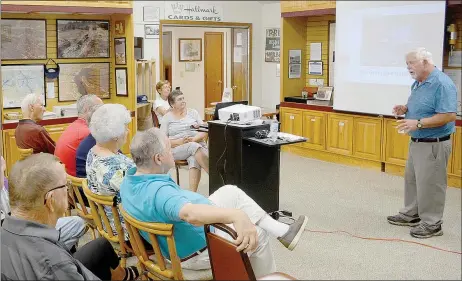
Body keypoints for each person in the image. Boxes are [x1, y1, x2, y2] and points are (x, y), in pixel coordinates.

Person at [120, 128, 308, 278]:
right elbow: (190, 215)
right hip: (196, 250)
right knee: (258, 236)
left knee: (230, 191)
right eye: (169, 149)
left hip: (182, 235)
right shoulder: (160, 193)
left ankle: (282, 231)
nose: (173, 152)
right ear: (158, 158)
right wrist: (236, 215)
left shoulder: (130, 180)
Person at [1, 153, 139, 280]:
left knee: (100, 246)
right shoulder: (54, 263)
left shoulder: (6, 230)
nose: (68, 190)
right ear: (51, 200)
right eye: (65, 185)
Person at [388, 48, 457, 238]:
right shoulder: (418, 83)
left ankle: (432, 223)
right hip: (417, 140)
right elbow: (424, 107)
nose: (408, 67)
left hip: (434, 143)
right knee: (413, 180)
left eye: (412, 63)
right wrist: (406, 108)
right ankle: (412, 214)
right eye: (407, 64)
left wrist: (417, 122)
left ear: (425, 62)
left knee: (431, 184)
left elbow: (449, 115)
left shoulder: (442, 84)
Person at [86, 103, 133, 239]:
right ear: (115, 135)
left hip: (106, 222)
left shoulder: (93, 152)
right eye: (125, 127)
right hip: (127, 231)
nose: (127, 131)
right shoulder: (119, 168)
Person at [160, 90, 209, 192]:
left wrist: (194, 139)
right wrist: (179, 142)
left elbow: (205, 131)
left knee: (194, 158)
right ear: (172, 104)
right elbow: (162, 140)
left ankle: (192, 194)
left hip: (196, 145)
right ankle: (215, 177)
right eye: (179, 99)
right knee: (193, 147)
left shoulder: (193, 113)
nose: (183, 101)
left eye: (183, 98)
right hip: (176, 149)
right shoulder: (167, 118)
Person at [55, 94, 103, 176]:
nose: (103, 112)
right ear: (87, 109)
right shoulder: (88, 133)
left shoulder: (74, 126)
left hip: (67, 179)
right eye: (100, 108)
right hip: (77, 183)